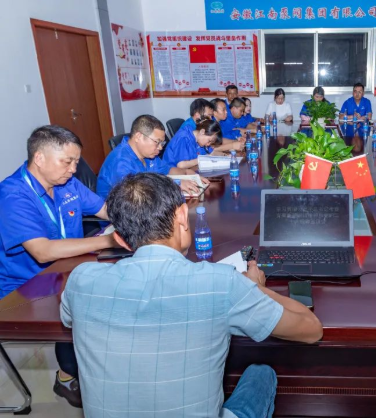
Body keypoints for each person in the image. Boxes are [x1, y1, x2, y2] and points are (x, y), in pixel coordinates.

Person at [60, 172, 323, 417]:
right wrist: (258, 288)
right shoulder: (220, 283)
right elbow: (311, 329)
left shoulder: (81, 279)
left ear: (119, 239)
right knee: (261, 374)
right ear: (183, 216)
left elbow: (69, 318)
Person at [0, 125, 117, 408]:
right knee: (84, 308)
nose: (74, 169)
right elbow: (42, 252)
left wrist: (140, 219)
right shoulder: (13, 195)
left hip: (65, 268)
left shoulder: (67, 184)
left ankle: (100, 365)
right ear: (39, 158)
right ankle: (67, 377)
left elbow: (105, 210)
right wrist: (108, 240)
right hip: (25, 287)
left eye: (76, 162)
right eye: (68, 161)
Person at [97, 115, 209, 198]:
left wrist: (187, 173)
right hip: (121, 216)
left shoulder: (148, 155)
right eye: (157, 142)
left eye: (162, 143)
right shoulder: (120, 162)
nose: (160, 148)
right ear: (138, 137)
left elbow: (167, 170)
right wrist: (177, 184)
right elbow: (137, 193)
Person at [163, 118, 228, 169]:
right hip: (172, 174)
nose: (208, 144)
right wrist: (203, 159)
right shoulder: (184, 137)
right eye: (209, 141)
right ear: (202, 132)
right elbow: (181, 165)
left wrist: (226, 156)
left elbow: (211, 153)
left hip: (189, 171)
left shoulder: (198, 139)